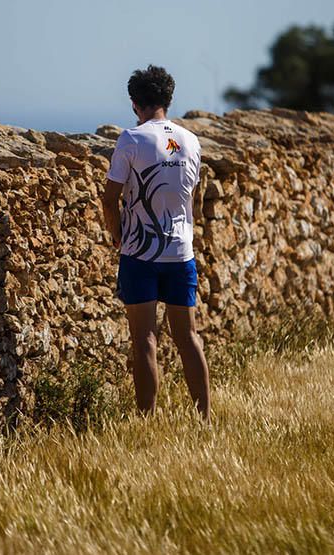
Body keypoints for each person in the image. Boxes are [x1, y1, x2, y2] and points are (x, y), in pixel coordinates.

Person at [100, 65, 210, 421]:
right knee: (188, 337)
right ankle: (204, 419)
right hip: (181, 253)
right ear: (168, 99)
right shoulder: (191, 141)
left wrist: (117, 235)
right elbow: (192, 195)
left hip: (139, 252)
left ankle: (146, 419)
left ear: (134, 104)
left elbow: (109, 196)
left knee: (145, 338)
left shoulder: (131, 139)